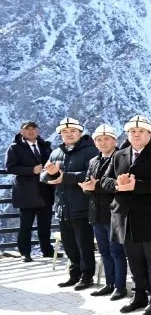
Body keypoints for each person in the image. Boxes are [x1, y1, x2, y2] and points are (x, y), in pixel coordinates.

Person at [101, 115, 151, 315]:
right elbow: (104, 180)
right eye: (133, 132)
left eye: (141, 131)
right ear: (127, 135)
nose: (136, 135)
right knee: (134, 260)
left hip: (150, 216)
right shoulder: (119, 155)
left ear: (149, 134)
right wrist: (117, 184)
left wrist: (137, 186)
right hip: (125, 216)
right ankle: (139, 295)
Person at [42, 118, 99, 290]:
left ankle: (87, 276)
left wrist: (65, 177)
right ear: (60, 134)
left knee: (84, 244)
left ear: (80, 133)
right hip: (63, 206)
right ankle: (74, 275)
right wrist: (52, 175)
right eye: (65, 132)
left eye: (73, 131)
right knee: (69, 244)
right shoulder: (56, 153)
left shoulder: (90, 151)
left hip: (82, 205)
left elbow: (92, 174)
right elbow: (43, 175)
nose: (69, 134)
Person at [79, 125, 127, 300]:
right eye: (99, 139)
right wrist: (86, 187)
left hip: (114, 212)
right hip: (96, 212)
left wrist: (95, 186)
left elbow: (119, 185)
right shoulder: (93, 161)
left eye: (106, 139)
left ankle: (120, 287)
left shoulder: (121, 158)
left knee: (117, 252)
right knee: (104, 252)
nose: (103, 142)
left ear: (115, 140)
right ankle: (109, 283)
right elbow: (88, 183)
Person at [4, 121, 54, 261]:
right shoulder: (14, 148)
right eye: (27, 129)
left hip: (45, 191)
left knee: (45, 225)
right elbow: (10, 167)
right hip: (26, 193)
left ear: (38, 131)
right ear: (21, 132)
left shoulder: (45, 146)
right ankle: (25, 253)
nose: (31, 131)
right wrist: (31, 170)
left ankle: (47, 251)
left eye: (33, 129)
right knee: (26, 225)